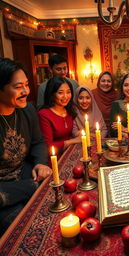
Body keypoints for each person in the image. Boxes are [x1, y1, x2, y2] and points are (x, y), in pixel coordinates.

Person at [0, 58, 51, 235]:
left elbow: (38, 142)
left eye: (27, 85)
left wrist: (41, 163)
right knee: (29, 229)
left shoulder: (27, 110)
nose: (26, 91)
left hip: (25, 175)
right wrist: (29, 187)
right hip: (4, 189)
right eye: (18, 86)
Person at [38, 76, 80, 155]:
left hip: (69, 152)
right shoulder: (44, 114)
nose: (65, 96)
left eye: (68, 92)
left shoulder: (68, 110)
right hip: (54, 157)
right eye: (60, 92)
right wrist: (73, 141)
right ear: (52, 94)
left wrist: (78, 134)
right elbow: (48, 146)